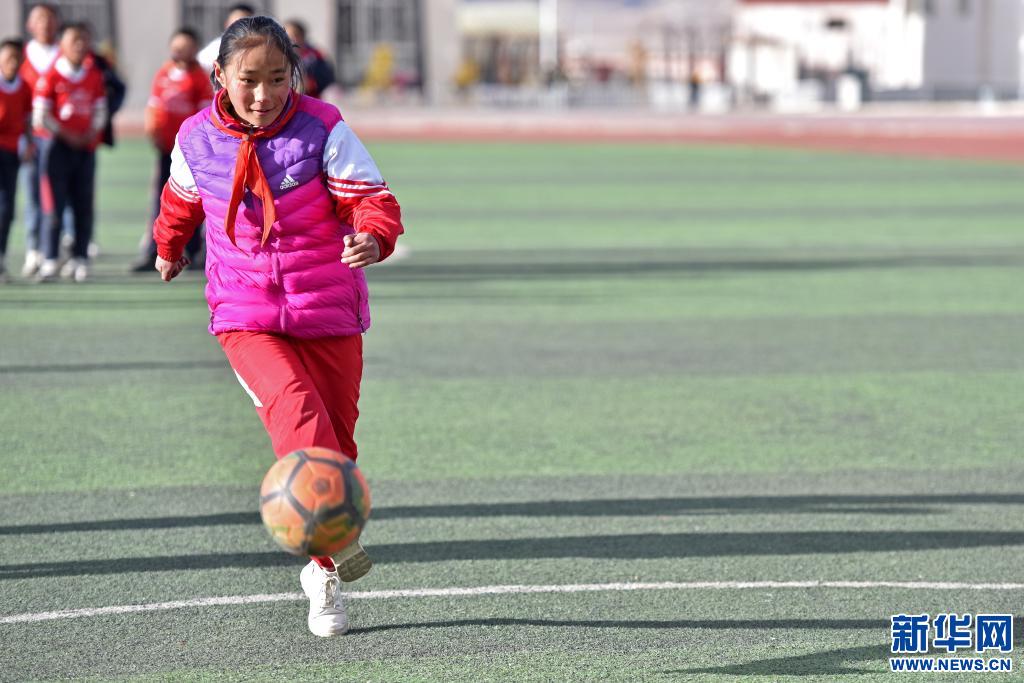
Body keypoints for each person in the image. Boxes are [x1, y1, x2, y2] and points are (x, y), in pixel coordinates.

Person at [152, 16, 403, 637]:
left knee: (338, 448)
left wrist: (374, 236)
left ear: (294, 75)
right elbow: (180, 201)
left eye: (276, 78)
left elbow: (371, 198)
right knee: (296, 411)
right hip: (245, 315)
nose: (262, 94)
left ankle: (318, 571)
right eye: (248, 80)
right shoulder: (195, 137)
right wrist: (168, 246)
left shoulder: (324, 128)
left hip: (328, 310)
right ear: (220, 77)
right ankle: (333, 552)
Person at [132, 28, 211, 273]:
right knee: (161, 198)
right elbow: (154, 106)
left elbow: (203, 116)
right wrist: (153, 132)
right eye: (176, 46)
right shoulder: (163, 73)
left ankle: (193, 252)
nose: (179, 51)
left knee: (192, 199)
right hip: (166, 149)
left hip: (190, 153)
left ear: (195, 49)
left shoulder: (200, 78)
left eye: (185, 46)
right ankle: (155, 250)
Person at [32, 22, 106, 283]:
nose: (79, 44)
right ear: (62, 43)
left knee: (83, 204)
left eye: (84, 39)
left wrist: (89, 134)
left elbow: (100, 111)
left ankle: (80, 258)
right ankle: (50, 259)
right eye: (74, 39)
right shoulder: (51, 76)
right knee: (54, 204)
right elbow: (41, 116)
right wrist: (67, 135)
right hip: (57, 150)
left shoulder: (94, 75)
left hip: (85, 149)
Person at [17, 2, 59, 277]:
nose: (45, 23)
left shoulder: (66, 54)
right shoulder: (20, 56)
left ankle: (65, 244)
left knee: (61, 194)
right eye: (39, 18)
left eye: (49, 18)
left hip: (60, 136)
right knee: (32, 192)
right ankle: (33, 249)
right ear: (29, 24)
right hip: (29, 134)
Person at [0, 39, 32, 282]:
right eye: (7, 57)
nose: (12, 62)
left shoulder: (23, 88)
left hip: (10, 153)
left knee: (6, 208)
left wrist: (29, 143)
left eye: (16, 58)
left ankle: (1, 257)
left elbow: (27, 119)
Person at [197, 3, 255, 74]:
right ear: (227, 24)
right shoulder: (213, 50)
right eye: (236, 23)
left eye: (245, 23)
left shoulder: (260, 47)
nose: (241, 28)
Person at [284, 19, 335, 99]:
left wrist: (311, 83)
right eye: (287, 35)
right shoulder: (281, 55)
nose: (291, 39)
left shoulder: (315, 56)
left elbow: (328, 77)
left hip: (311, 100)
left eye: (294, 35)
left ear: (302, 36)